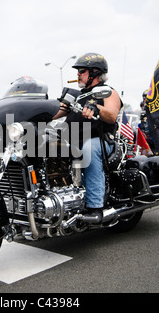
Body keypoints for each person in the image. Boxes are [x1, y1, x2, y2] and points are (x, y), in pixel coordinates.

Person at [53, 53, 122, 223]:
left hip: (101, 141)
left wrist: (96, 107)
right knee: (43, 145)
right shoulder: (76, 96)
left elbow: (112, 115)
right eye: (78, 71)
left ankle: (95, 207)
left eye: (82, 71)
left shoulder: (108, 92)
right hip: (74, 140)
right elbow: (56, 113)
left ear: (95, 73)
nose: (78, 74)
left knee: (88, 149)